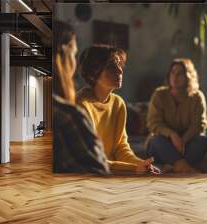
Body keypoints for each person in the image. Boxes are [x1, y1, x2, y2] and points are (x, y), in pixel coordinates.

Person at [77, 44, 160, 175]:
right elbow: (91, 159)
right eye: (111, 66)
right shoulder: (81, 105)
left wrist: (141, 164)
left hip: (110, 170)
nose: (120, 70)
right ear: (93, 74)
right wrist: (133, 168)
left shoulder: (118, 103)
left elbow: (120, 148)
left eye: (119, 64)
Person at [52, 20, 110, 175]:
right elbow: (100, 173)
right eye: (74, 54)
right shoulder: (71, 114)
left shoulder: (118, 103)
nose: (120, 71)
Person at [146, 59, 207, 173]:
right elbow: (153, 123)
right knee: (156, 141)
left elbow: (200, 124)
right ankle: (183, 166)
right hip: (164, 142)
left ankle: (173, 166)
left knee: (203, 141)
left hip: (187, 143)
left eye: (180, 73)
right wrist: (172, 135)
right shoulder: (159, 94)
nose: (175, 76)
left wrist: (183, 140)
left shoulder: (197, 96)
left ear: (189, 76)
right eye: (173, 72)